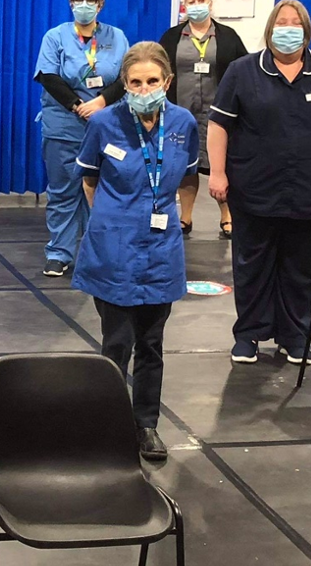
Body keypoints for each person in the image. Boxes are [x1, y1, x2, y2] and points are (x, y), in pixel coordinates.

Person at [208, 0, 311, 365]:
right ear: (270, 29)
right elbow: (219, 125)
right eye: (281, 22)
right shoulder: (242, 71)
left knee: (301, 267)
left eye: (294, 23)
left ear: (306, 30)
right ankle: (248, 334)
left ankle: (294, 336)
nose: (287, 29)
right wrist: (217, 172)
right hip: (253, 188)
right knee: (251, 265)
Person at [73, 42, 198, 461]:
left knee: (152, 342)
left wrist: (181, 219)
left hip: (161, 249)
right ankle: (104, 422)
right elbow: (89, 179)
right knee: (117, 342)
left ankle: (146, 425)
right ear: (124, 85)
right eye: (135, 82)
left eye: (152, 81)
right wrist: (111, 221)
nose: (144, 89)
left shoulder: (182, 123)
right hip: (113, 247)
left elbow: (188, 177)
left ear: (167, 82)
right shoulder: (105, 123)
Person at [35, 0, 130, 277]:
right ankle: (59, 252)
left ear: (100, 4)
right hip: (64, 125)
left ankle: (98, 252)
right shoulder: (56, 36)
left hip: (106, 127)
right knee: (63, 191)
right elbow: (47, 76)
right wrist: (79, 105)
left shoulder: (116, 37)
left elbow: (126, 77)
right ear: (71, 2)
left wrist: (100, 103)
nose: (83, 3)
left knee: (102, 192)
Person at [158, 0, 247, 238]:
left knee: (223, 165)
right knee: (186, 165)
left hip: (218, 115)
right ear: (185, 6)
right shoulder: (172, 36)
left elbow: (241, 71)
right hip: (181, 113)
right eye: (192, 2)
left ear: (210, 3)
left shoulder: (228, 36)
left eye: (201, 0)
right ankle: (185, 216)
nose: (197, 6)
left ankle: (227, 215)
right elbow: (159, 68)